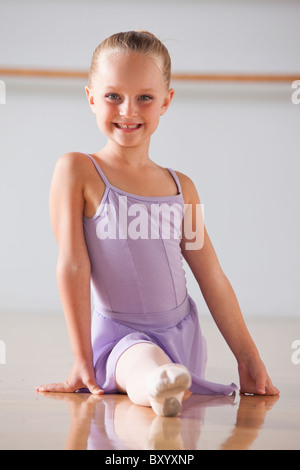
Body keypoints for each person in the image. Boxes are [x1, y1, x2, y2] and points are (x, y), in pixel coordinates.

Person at [36, 31, 279, 417]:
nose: (128, 111)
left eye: (144, 98)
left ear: (166, 101)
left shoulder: (184, 188)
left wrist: (248, 359)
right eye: (114, 96)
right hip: (119, 339)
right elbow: (73, 265)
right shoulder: (78, 171)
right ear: (91, 98)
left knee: (160, 364)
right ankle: (158, 384)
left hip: (182, 336)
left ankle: (168, 381)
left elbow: (211, 275)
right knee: (140, 360)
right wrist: (81, 358)